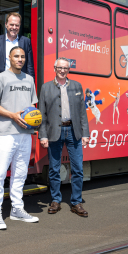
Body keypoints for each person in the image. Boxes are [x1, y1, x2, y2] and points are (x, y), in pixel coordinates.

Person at [0, 46, 39, 230]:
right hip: (7, 132)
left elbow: (33, 107)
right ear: (9, 57)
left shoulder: (30, 79)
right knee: (0, 174)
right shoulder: (0, 78)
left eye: (22, 57)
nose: (20, 59)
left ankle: (17, 209)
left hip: (26, 134)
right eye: (16, 56)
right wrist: (12, 115)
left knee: (20, 174)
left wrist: (35, 121)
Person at [39, 57, 90, 217]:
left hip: (73, 132)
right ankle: (55, 200)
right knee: (54, 169)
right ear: (55, 68)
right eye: (60, 68)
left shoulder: (76, 86)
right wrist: (43, 135)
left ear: (69, 70)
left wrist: (85, 133)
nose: (62, 70)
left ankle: (76, 202)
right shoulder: (46, 87)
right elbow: (42, 114)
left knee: (78, 169)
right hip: (55, 132)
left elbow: (82, 112)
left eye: (66, 68)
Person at [0, 12, 35, 89]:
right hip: (1, 83)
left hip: (21, 84)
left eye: (17, 25)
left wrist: (31, 86)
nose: (14, 27)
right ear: (6, 25)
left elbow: (30, 66)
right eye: (11, 24)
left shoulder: (26, 41)